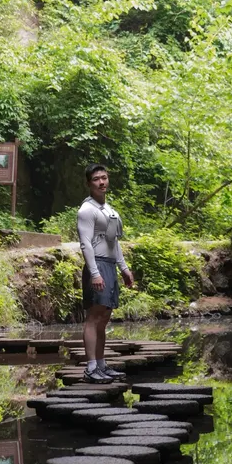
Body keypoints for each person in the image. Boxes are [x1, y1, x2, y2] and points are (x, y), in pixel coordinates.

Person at [77, 163, 133, 383]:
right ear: (89, 183)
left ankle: (101, 364)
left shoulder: (109, 210)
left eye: (104, 178)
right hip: (97, 265)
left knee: (104, 319)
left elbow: (114, 242)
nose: (101, 182)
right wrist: (94, 273)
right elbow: (85, 244)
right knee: (94, 317)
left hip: (109, 265)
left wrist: (124, 268)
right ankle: (91, 368)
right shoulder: (86, 210)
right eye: (96, 179)